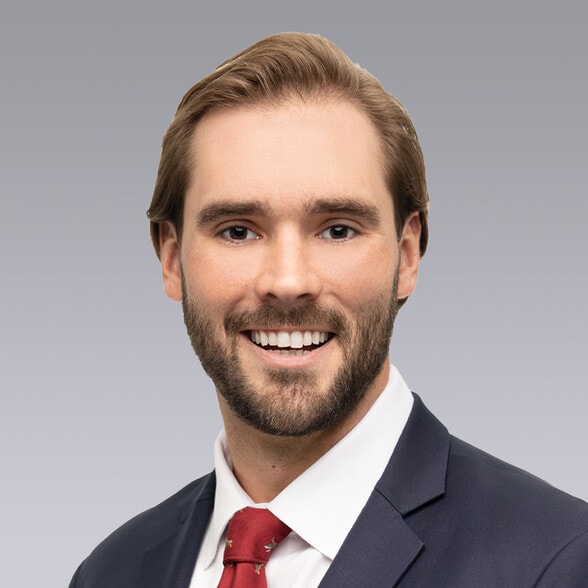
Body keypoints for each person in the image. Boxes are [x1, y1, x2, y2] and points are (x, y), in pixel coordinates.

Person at [69, 32, 588, 587]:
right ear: (172, 260)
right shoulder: (110, 573)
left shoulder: (560, 562)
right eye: (238, 230)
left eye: (338, 230)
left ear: (406, 255)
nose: (288, 282)